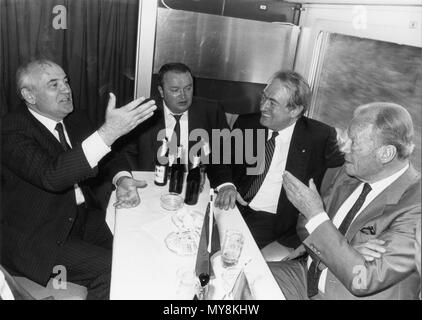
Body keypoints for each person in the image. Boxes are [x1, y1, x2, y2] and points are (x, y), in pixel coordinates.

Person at [1, 59, 156, 299]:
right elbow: (51, 175)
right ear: (29, 95)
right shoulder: (11, 129)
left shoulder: (75, 118)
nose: (66, 89)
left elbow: (105, 155)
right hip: (39, 236)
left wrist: (122, 179)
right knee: (111, 269)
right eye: (54, 85)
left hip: (82, 217)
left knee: (135, 251)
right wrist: (109, 132)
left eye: (66, 81)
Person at [269, 102, 421, 300]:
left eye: (354, 142)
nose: (343, 148)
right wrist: (345, 250)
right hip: (305, 278)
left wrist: (319, 220)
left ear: (386, 153)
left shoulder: (415, 204)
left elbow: (364, 278)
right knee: (240, 278)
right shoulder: (349, 172)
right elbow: (304, 222)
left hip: (344, 295)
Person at [224, 70, 344, 254]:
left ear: (294, 110)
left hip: (274, 220)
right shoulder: (247, 124)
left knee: (228, 254)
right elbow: (223, 161)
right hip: (234, 205)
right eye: (264, 98)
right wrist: (228, 184)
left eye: (272, 103)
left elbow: (351, 164)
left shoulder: (320, 137)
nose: (263, 107)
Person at [121, 62, 236, 206]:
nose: (183, 96)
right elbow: (125, 154)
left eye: (188, 88)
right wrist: (133, 180)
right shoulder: (142, 113)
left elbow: (224, 153)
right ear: (161, 91)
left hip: (195, 189)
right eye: (175, 90)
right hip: (150, 188)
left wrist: (224, 184)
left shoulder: (211, 111)